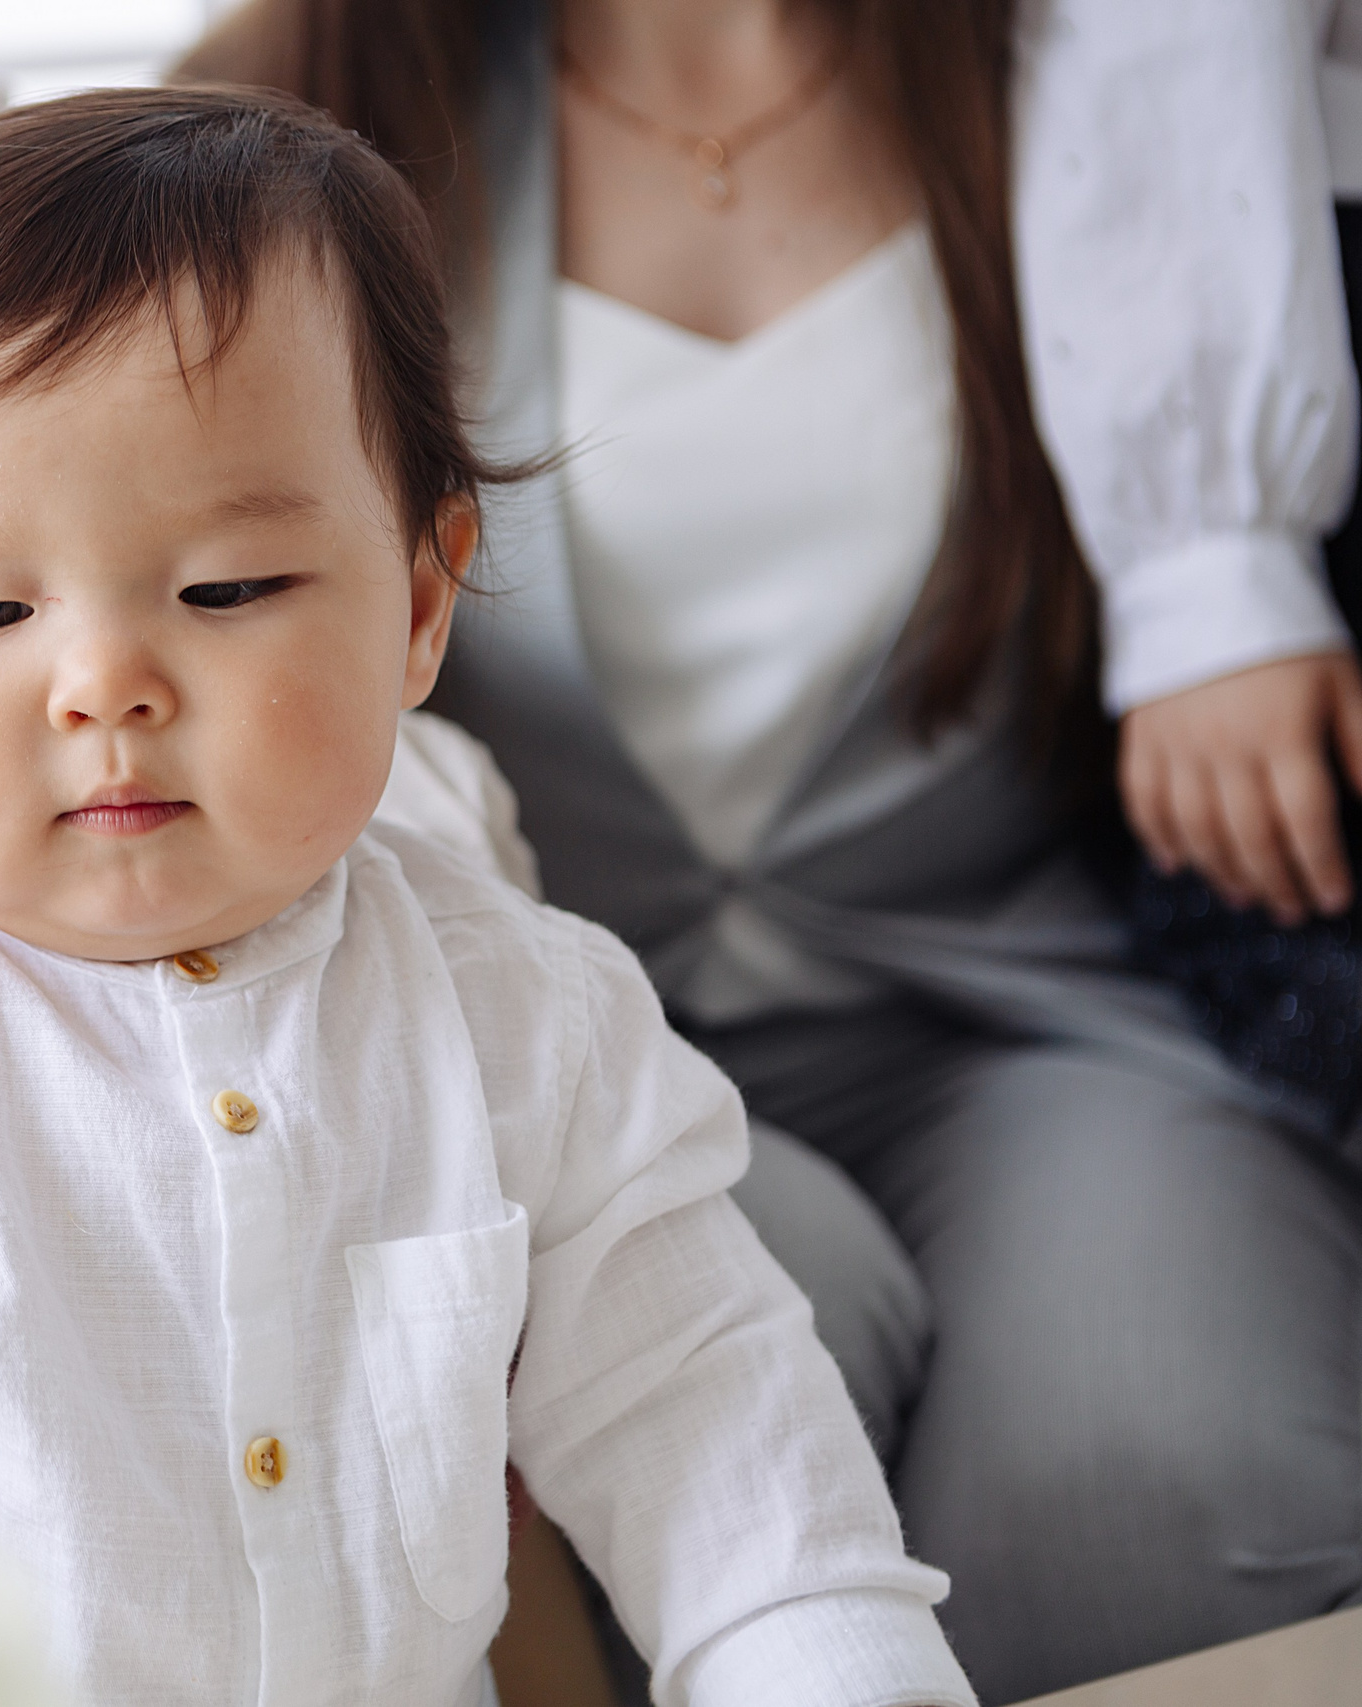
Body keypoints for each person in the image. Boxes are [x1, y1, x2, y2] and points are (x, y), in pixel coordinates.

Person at [0, 84, 976, 1707]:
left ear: (416, 605)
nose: (103, 684)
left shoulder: (527, 1019)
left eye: (225, 590)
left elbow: (738, 1477)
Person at [180, 0, 1362, 1698]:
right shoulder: (274, 112)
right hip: (533, 1057)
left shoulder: (1122, 77)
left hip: (1035, 1017)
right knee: (720, 1373)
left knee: (1156, 1471)